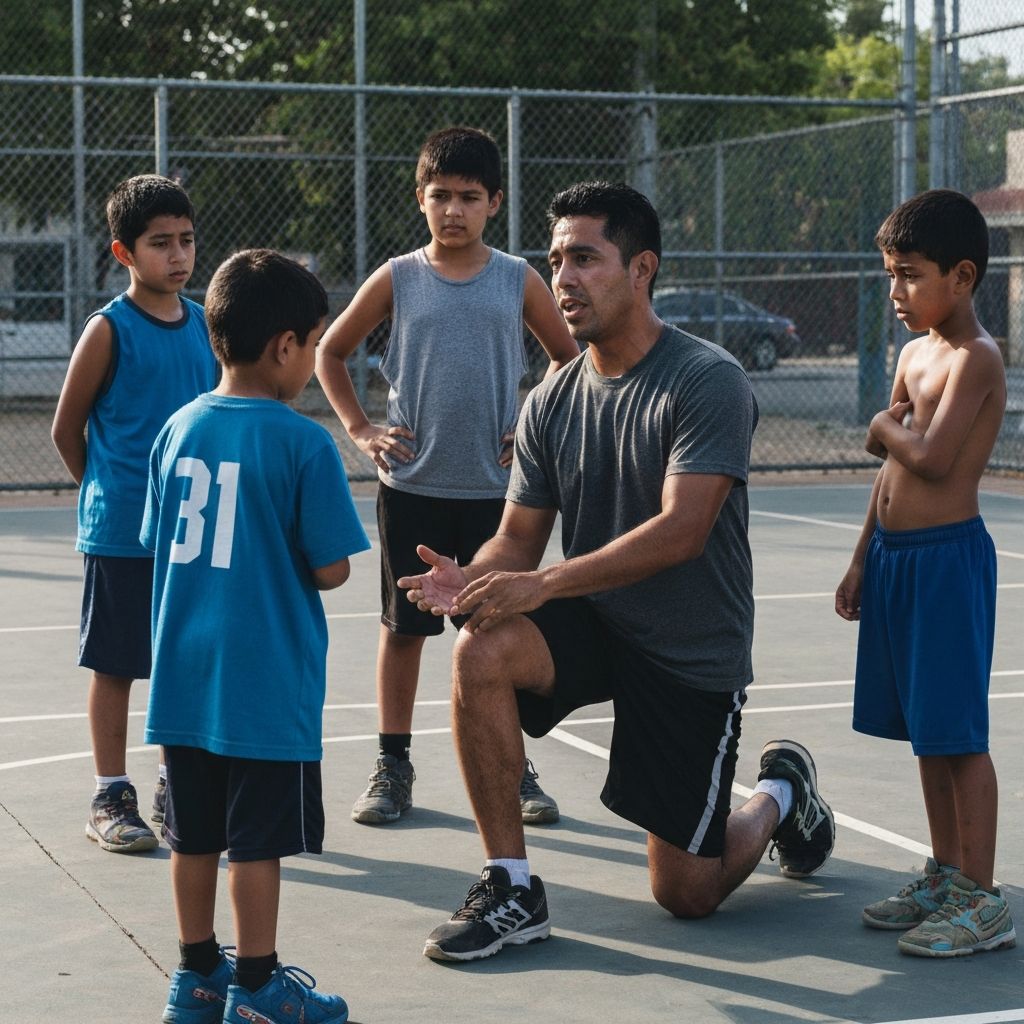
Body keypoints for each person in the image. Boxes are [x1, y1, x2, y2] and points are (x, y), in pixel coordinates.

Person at [399, 180, 836, 963]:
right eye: (555, 261)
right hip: (602, 621)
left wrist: (542, 584)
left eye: (585, 259)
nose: (563, 278)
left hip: (688, 651)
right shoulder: (552, 399)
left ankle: (782, 791)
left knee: (686, 893)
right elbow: (518, 538)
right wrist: (474, 578)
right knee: (481, 646)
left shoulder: (706, 379)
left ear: (641, 269)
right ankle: (511, 887)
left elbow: (682, 530)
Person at [316, 125, 579, 827]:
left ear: (495, 201)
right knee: (404, 629)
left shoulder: (517, 278)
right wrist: (360, 429)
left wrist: (531, 419)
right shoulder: (399, 277)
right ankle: (392, 764)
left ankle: (515, 766)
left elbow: (566, 357)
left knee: (498, 628)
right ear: (420, 199)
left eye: (469, 196)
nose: (454, 210)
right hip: (413, 488)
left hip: (499, 497)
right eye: (440, 196)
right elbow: (330, 352)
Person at [144, 249, 371, 1023]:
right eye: (314, 345)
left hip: (184, 674)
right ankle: (258, 985)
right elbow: (332, 568)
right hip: (265, 679)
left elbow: (158, 540)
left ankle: (196, 976)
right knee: (255, 843)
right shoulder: (302, 442)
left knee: (191, 835)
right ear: (284, 346)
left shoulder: (176, 430)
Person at [836, 189, 1015, 958]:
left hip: (947, 563)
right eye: (890, 275)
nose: (896, 291)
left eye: (910, 274)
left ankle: (982, 899)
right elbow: (889, 472)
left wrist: (883, 425)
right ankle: (946, 873)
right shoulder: (913, 355)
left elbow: (933, 459)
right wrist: (860, 558)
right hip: (896, 560)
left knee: (958, 733)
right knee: (926, 732)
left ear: (962, 276)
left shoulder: (978, 359)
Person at [51, 174, 218, 854]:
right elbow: (67, 428)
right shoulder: (108, 329)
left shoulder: (205, 324)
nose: (177, 255)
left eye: (186, 240)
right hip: (122, 532)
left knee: (184, 661)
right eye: (160, 243)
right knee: (116, 665)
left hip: (190, 534)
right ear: (124, 252)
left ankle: (175, 781)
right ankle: (109, 794)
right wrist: (106, 493)